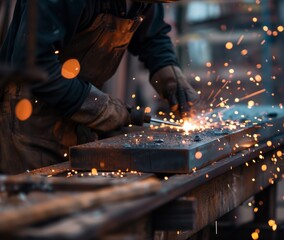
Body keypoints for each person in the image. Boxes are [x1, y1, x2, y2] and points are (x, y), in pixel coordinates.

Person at [0, 0, 198, 174]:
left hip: (79, 120)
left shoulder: (146, 2)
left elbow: (152, 36)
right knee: (38, 209)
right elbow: (34, 63)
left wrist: (169, 73)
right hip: (30, 124)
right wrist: (100, 107)